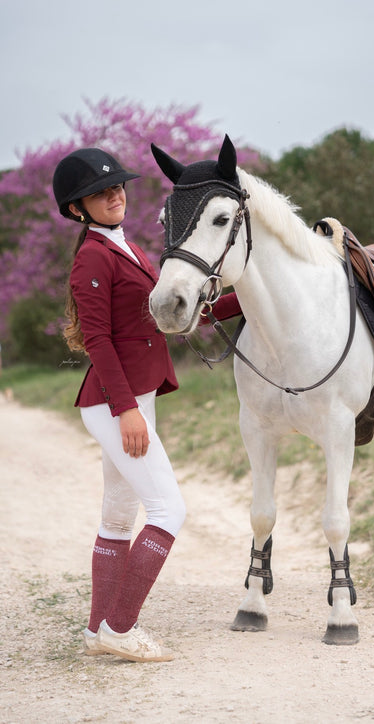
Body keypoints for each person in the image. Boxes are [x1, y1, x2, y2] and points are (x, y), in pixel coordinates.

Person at [53, 147, 240, 662]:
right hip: (117, 402)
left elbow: (163, 318)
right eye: (99, 193)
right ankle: (122, 626)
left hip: (134, 395)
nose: (115, 195)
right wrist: (125, 410)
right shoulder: (93, 256)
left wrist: (242, 298)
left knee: (118, 515)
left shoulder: (124, 246)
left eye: (117, 186)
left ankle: (98, 631)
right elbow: (98, 339)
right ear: (77, 210)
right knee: (169, 509)